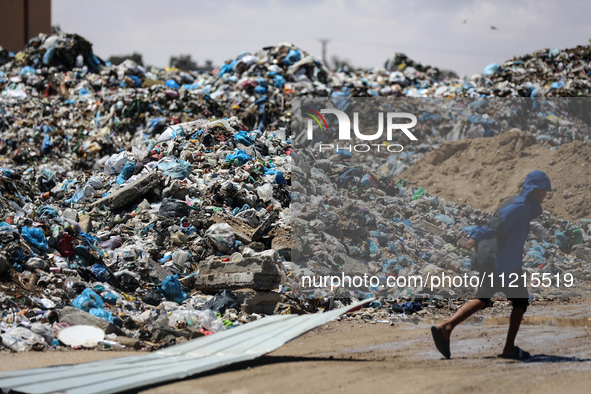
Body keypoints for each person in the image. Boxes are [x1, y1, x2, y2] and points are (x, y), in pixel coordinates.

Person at [431, 170, 552, 360]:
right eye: (544, 191)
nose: (545, 195)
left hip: (497, 258)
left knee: (484, 298)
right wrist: (476, 237)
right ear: (536, 191)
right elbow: (496, 222)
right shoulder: (520, 205)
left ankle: (447, 327)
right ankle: (509, 348)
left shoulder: (524, 205)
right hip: (500, 260)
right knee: (520, 301)